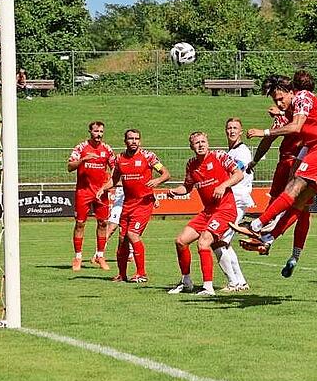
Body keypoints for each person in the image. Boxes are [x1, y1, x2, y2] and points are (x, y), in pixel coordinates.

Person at [233, 75, 317, 255]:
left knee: (294, 186)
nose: (279, 103)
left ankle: (257, 224)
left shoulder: (302, 97)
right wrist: (282, 113)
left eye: (281, 98)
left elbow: (295, 127)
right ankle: (269, 239)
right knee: (299, 203)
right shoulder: (293, 106)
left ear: (291, 91)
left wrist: (264, 132)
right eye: (275, 100)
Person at [247, 71, 313, 278]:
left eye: (280, 98)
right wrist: (255, 159)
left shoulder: (302, 111)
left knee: (289, 206)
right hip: (295, 163)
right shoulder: (290, 113)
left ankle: (265, 238)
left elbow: (271, 138)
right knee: (296, 209)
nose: (279, 102)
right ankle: (278, 246)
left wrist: (261, 144)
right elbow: (269, 140)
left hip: (299, 163)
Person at [167, 132, 243, 296]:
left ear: (208, 143)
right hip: (207, 212)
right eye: (196, 143)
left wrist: (223, 185)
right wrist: (175, 191)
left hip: (225, 209)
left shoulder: (219, 156)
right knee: (180, 241)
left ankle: (208, 287)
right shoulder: (191, 165)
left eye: (203, 142)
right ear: (191, 147)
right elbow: (186, 187)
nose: (200, 145)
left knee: (203, 242)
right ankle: (186, 282)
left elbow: (239, 174)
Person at [96, 129, 169, 283]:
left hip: (144, 203)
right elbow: (114, 180)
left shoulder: (148, 156)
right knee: (122, 239)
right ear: (125, 141)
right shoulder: (119, 159)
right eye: (131, 139)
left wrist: (157, 181)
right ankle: (122, 275)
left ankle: (141, 273)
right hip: (127, 204)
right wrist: (103, 188)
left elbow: (166, 173)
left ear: (140, 141)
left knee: (132, 234)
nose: (134, 141)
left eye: (137, 139)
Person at [67, 121, 116, 272]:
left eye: (101, 131)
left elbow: (115, 167)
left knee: (103, 223)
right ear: (90, 131)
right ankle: (78, 257)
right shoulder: (81, 148)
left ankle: (100, 256)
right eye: (96, 131)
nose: (99, 134)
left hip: (102, 192)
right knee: (80, 223)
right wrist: (82, 160)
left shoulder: (107, 149)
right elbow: (69, 167)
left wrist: (109, 184)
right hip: (83, 192)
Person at [215, 118, 251, 292]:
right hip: (231, 199)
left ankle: (233, 282)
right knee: (224, 242)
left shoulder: (242, 151)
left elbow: (236, 171)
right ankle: (240, 281)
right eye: (229, 128)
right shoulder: (230, 151)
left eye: (235, 128)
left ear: (241, 131)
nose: (231, 131)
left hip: (237, 198)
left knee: (218, 240)